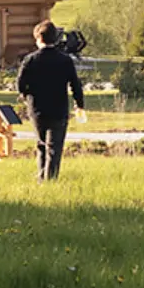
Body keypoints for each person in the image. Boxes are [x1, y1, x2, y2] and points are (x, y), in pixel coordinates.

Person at [15, 20, 84, 182]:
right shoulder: (65, 60)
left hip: (37, 109)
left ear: (38, 39)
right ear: (56, 39)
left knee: (41, 145)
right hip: (58, 109)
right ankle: (50, 179)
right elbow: (75, 84)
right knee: (54, 147)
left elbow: (20, 83)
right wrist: (79, 103)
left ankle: (41, 178)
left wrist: (25, 94)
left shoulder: (30, 60)